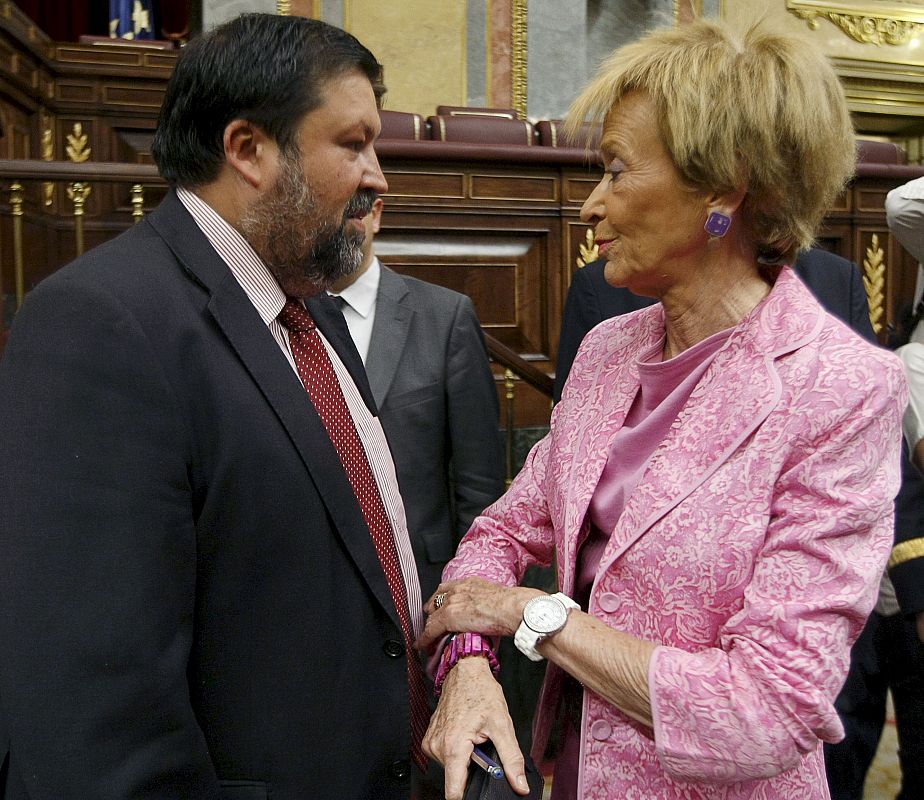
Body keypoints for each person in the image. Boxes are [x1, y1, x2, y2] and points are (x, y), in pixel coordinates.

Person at [416, 17, 907, 800]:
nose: (590, 208)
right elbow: (501, 531)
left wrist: (532, 614)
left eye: (616, 171)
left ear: (723, 188)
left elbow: (765, 711)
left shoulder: (841, 389)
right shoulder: (611, 351)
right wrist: (469, 661)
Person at [0, 14, 428, 799]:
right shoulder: (102, 323)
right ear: (248, 150)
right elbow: (95, 716)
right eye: (352, 143)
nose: (379, 175)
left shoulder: (311, 311)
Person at [329, 198, 505, 602]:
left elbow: (478, 483)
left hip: (420, 583)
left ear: (375, 214)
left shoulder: (444, 317)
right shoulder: (288, 316)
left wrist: (468, 595)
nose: (334, 224)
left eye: (348, 212)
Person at [554, 250, 877, 402]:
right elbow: (564, 454)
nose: (593, 207)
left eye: (619, 173)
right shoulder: (602, 289)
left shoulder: (836, 278)